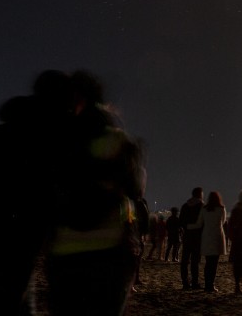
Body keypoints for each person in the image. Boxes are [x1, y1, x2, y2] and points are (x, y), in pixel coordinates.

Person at [0, 69, 73, 316]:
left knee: (11, 293)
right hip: (19, 228)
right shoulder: (46, 137)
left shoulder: (0, 133)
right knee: (9, 295)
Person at [46, 70, 147, 316]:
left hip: (65, 252)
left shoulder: (56, 141)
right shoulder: (119, 140)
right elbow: (135, 189)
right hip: (110, 252)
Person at [198, 191, 227, 293]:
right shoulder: (221, 209)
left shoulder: (204, 209)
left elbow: (200, 223)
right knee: (214, 263)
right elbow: (223, 222)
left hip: (206, 237)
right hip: (217, 237)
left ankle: (207, 284)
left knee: (208, 262)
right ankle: (211, 285)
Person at [179, 187, 205, 290]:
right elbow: (204, 222)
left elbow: (181, 221)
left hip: (187, 236)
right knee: (195, 261)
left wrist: (187, 227)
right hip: (198, 237)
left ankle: (185, 283)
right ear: (200, 194)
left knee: (185, 260)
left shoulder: (185, 206)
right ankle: (195, 282)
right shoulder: (202, 206)